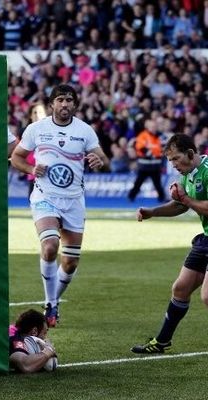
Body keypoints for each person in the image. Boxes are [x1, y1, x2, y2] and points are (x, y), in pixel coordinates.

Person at [10, 84, 110, 327]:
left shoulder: (84, 131)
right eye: (60, 100)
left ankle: (52, 302)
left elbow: (104, 159)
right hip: (45, 197)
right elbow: (16, 157)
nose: (65, 104)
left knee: (71, 262)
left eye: (69, 100)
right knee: (50, 246)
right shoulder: (37, 129)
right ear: (52, 104)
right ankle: (51, 303)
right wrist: (32, 169)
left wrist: (100, 161)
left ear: (75, 105)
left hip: (74, 201)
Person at [132, 133, 208, 353]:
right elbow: (180, 206)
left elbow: (188, 202)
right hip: (205, 239)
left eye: (176, 159)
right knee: (180, 288)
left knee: (207, 296)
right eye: (170, 160)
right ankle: (162, 341)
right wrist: (152, 212)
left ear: (191, 154)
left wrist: (187, 199)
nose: (173, 165)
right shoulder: (188, 174)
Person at [128, 119, 166, 202]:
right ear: (147, 127)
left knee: (157, 184)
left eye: (155, 126)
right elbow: (140, 148)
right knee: (138, 182)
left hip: (156, 166)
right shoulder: (143, 135)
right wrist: (153, 154)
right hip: (144, 166)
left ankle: (162, 198)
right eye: (152, 127)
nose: (154, 128)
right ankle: (131, 196)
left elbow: (164, 147)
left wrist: (159, 153)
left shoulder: (160, 136)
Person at [9, 309, 57, 373]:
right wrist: (48, 351)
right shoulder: (16, 339)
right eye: (44, 333)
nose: (45, 338)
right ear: (34, 331)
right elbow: (26, 365)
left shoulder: (15, 333)